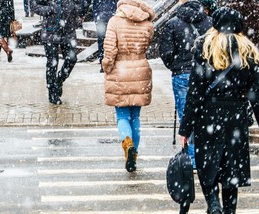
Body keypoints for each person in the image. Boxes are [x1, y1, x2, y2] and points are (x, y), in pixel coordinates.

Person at [179, 7, 259, 214]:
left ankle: (214, 207)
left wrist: (185, 129)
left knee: (207, 169)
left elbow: (194, 91)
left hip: (208, 118)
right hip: (235, 119)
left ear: (215, 25)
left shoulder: (205, 47)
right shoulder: (248, 52)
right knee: (231, 175)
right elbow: (256, 95)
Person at [159, 0, 213, 170]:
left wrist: (176, 65)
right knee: (205, 114)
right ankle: (205, 155)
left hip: (182, 74)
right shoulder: (210, 22)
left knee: (186, 116)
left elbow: (166, 52)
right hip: (205, 73)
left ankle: (192, 159)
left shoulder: (172, 23)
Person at [102, 0, 155, 172]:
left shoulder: (115, 21)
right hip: (140, 71)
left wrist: (107, 66)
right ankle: (134, 154)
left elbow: (110, 50)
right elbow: (147, 44)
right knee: (136, 117)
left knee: (122, 115)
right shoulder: (147, 23)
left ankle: (127, 144)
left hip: (120, 71)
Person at [31, 0, 83, 105]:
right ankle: (52, 92)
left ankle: (59, 81)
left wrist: (75, 9)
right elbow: (34, 5)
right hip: (50, 31)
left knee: (72, 59)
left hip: (68, 30)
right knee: (52, 62)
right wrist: (49, 10)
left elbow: (82, 3)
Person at [81, 0, 117, 72]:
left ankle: (103, 63)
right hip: (113, 12)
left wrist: (82, 13)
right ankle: (112, 62)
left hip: (100, 13)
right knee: (114, 38)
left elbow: (86, 2)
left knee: (102, 39)